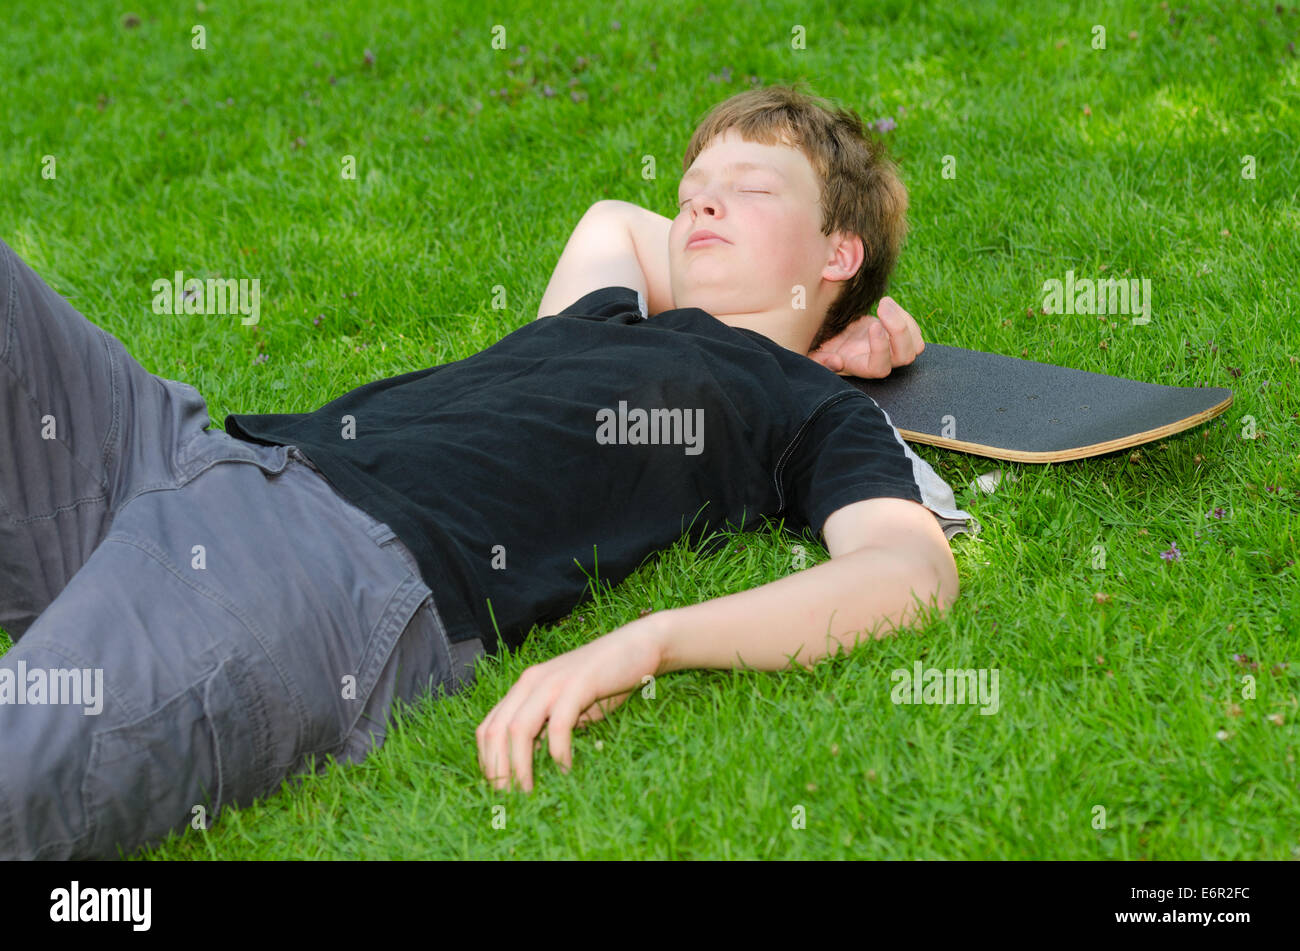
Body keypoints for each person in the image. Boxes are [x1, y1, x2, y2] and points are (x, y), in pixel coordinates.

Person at [0, 83, 976, 860]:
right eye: (692, 192)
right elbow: (616, 219)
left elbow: (909, 573)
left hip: (310, 573)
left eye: (749, 190)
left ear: (840, 246)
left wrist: (651, 644)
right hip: (171, 452)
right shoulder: (604, 315)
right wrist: (836, 317)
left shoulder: (796, 406)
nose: (700, 204)